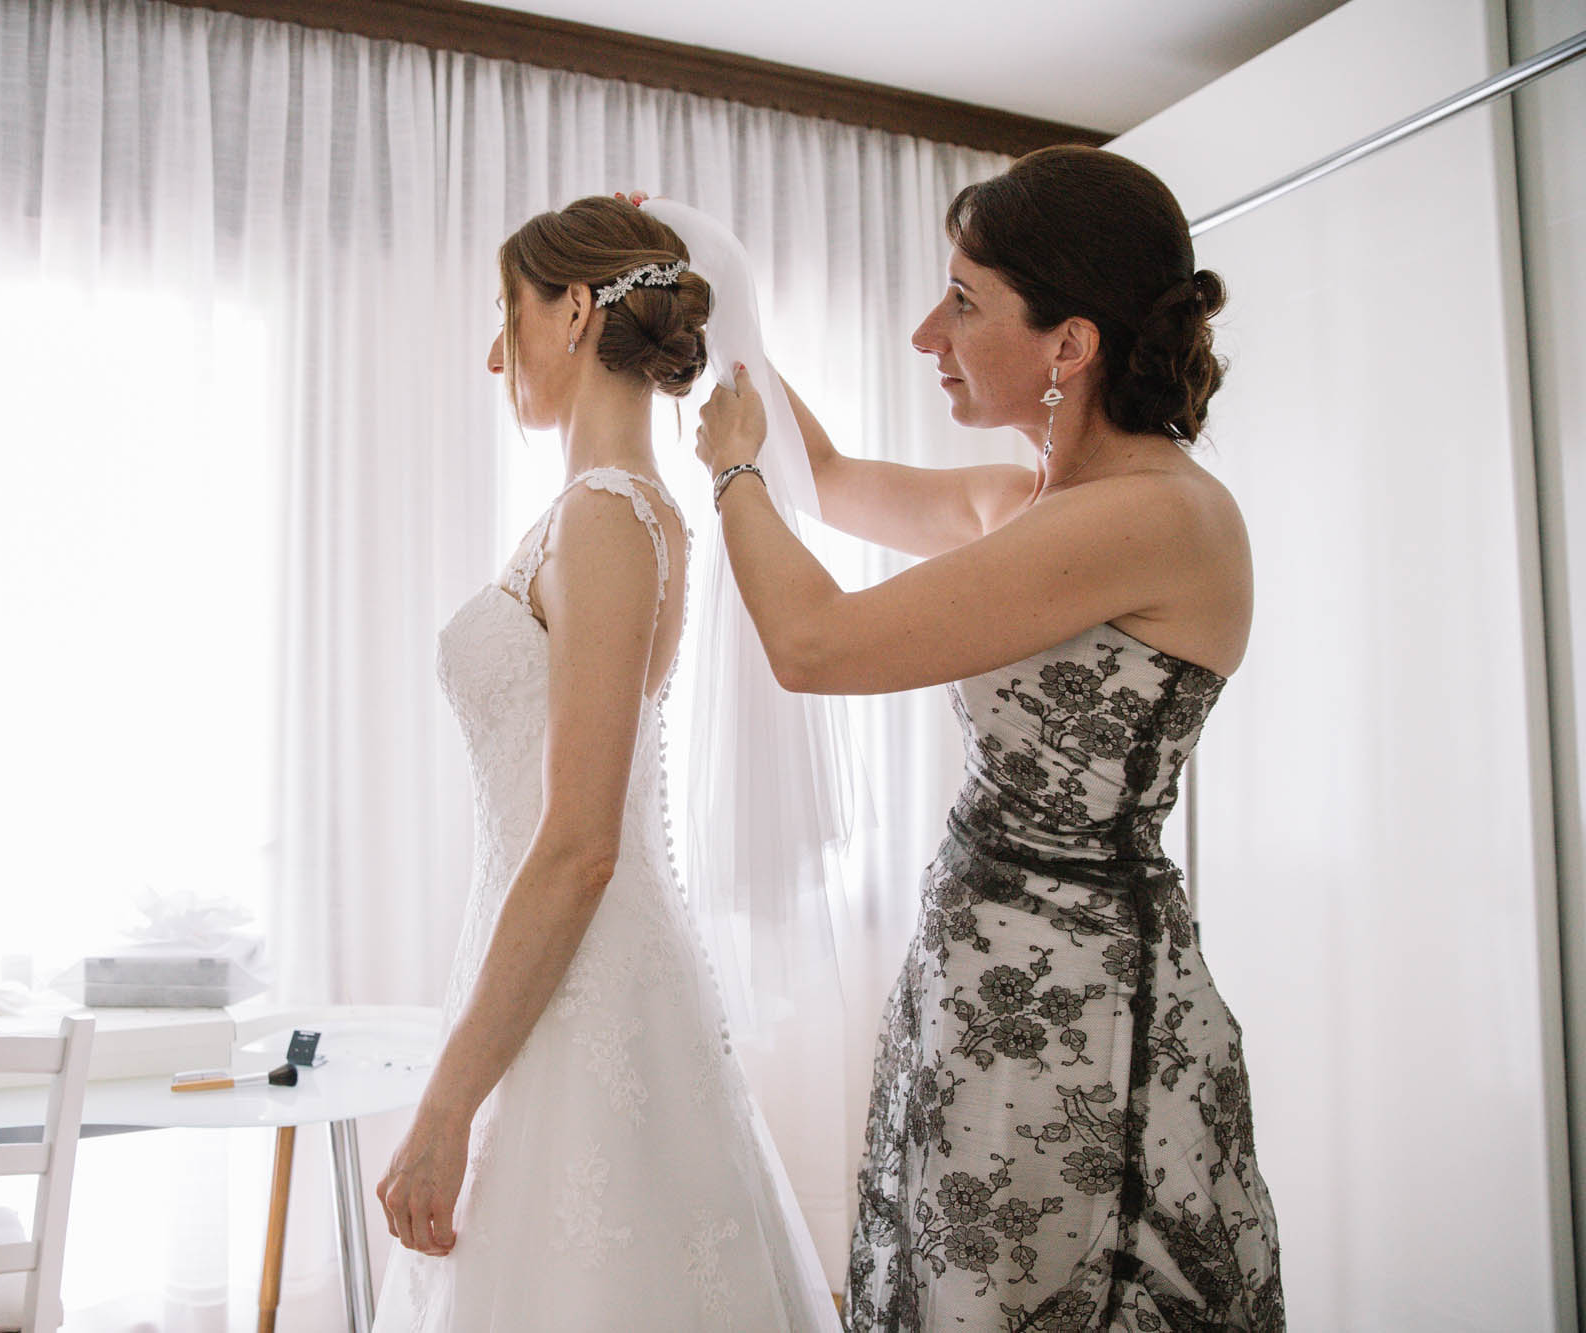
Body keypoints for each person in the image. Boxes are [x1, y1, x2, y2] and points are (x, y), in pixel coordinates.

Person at [691, 147, 1284, 1330]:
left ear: (1069, 345)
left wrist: (731, 472)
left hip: (1074, 1013)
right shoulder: (1027, 506)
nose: (927, 333)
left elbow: (815, 645)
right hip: (974, 977)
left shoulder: (1155, 517)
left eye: (962, 302)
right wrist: (715, 293)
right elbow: (829, 478)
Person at [370, 195, 840, 1332]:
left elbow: (582, 843)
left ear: (576, 310)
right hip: (553, 967)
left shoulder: (605, 517)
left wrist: (446, 1107)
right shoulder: (612, 513)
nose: (496, 355)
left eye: (509, 313)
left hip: (584, 979)